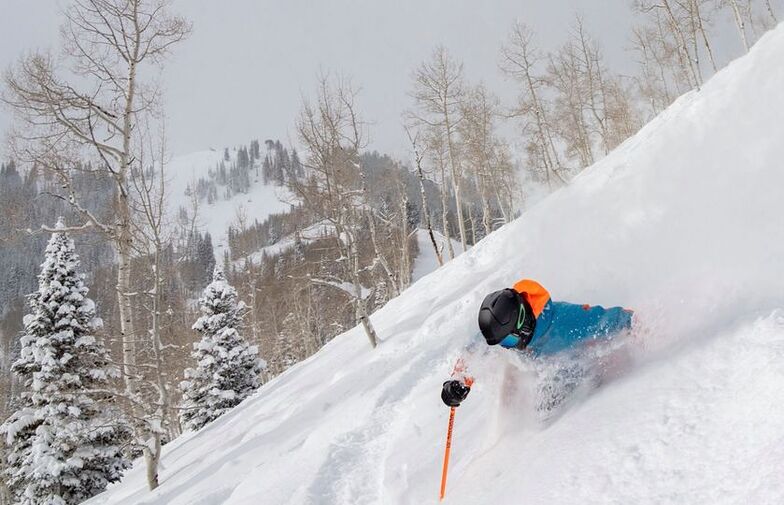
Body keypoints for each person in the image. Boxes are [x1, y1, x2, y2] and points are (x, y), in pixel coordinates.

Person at [441, 279, 634, 407]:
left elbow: (612, 320)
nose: (507, 347)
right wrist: (459, 381)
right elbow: (476, 350)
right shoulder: (505, 329)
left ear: (522, 323)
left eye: (508, 341)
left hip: (583, 378)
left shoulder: (566, 322)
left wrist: (643, 325)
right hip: (546, 382)